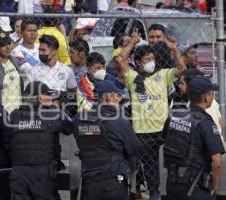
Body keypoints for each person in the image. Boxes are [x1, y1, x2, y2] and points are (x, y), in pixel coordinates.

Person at [115, 30, 186, 200]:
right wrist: (132, 43)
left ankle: (155, 194)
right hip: (140, 132)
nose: (151, 62)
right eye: (147, 60)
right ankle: (136, 191)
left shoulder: (162, 75)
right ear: (138, 62)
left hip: (160, 132)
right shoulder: (132, 77)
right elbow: (119, 60)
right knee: (137, 168)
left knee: (155, 169)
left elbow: (182, 67)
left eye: (152, 59)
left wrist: (174, 50)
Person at [75, 80, 142, 200]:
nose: (120, 99)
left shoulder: (80, 118)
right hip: (113, 181)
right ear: (107, 97)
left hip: (89, 181)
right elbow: (135, 148)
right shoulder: (118, 121)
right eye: (118, 95)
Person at [9, 81, 75, 200]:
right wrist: (56, 108)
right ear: (40, 98)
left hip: (19, 172)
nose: (50, 98)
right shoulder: (53, 114)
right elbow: (70, 127)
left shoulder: (14, 116)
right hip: (43, 174)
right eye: (47, 95)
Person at [164, 76, 225, 200]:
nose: (213, 97)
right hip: (195, 186)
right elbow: (217, 162)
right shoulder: (205, 122)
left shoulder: (174, 116)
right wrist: (215, 186)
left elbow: (166, 139)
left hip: (172, 183)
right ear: (206, 97)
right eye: (212, 94)